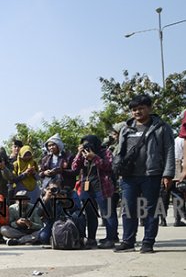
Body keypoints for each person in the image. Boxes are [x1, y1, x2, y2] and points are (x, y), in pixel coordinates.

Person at [113, 95, 175, 253]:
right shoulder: (126, 129)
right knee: (128, 209)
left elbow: (169, 151)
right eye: (134, 109)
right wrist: (117, 168)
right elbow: (119, 152)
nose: (137, 112)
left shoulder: (162, 127)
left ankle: (148, 242)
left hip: (152, 174)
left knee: (151, 209)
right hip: (128, 177)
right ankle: (128, 241)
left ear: (149, 108)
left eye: (141, 108)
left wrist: (168, 174)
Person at [71, 135, 117, 249]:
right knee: (90, 214)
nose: (87, 146)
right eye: (84, 144)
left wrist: (95, 157)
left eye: (89, 144)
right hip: (86, 187)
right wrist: (79, 154)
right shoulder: (83, 154)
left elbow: (110, 166)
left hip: (102, 187)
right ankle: (91, 239)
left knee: (107, 213)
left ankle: (111, 238)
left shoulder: (105, 152)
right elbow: (74, 168)